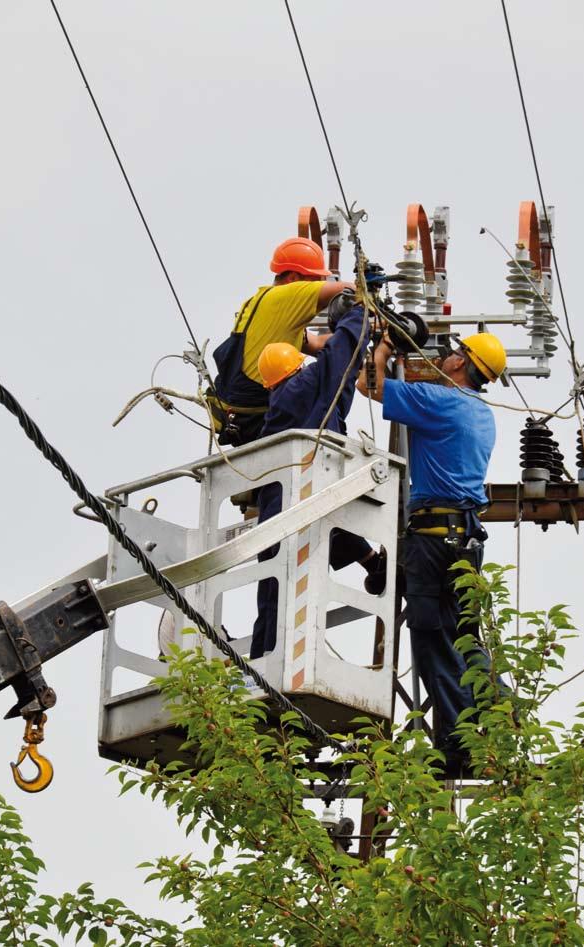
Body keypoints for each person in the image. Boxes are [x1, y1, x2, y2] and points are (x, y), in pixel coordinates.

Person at [356, 331, 507, 773]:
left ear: (463, 363)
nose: (448, 357)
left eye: (455, 353)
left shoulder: (438, 402)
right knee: (464, 636)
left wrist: (382, 349)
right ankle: (502, 707)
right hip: (467, 541)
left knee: (430, 639)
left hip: (433, 538)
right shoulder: (481, 412)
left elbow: (369, 385)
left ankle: (456, 743)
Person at [250, 300, 387, 659]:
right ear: (297, 369)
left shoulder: (284, 406)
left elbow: (337, 384)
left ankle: (260, 670)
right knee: (289, 588)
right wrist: (357, 314)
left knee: (272, 594)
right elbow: (341, 358)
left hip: (279, 510)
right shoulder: (305, 386)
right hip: (300, 502)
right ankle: (278, 672)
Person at [208, 237, 355, 446]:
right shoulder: (284, 296)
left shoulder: (271, 310)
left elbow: (318, 344)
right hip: (259, 415)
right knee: (322, 388)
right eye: (315, 280)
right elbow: (350, 290)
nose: (319, 284)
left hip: (252, 421)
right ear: (294, 277)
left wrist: (360, 337)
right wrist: (367, 304)